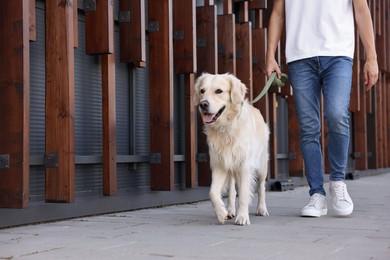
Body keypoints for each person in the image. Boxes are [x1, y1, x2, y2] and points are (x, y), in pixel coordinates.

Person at [266, 0, 379, 217]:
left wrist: (371, 57)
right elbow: (278, 13)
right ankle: (316, 194)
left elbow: (362, 10)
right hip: (300, 56)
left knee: (337, 114)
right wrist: (270, 54)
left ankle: (337, 182)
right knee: (309, 127)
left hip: (338, 53)